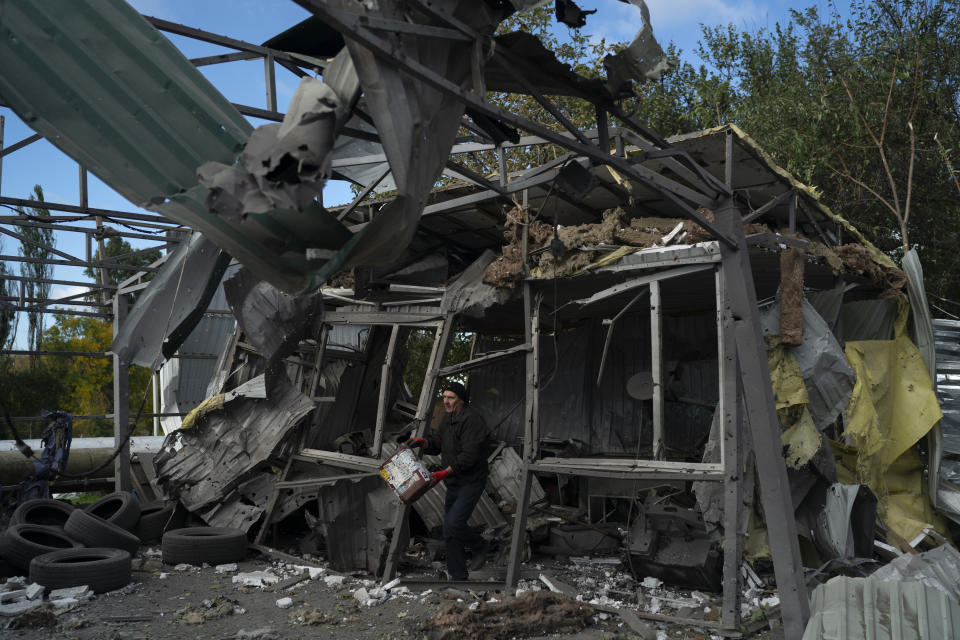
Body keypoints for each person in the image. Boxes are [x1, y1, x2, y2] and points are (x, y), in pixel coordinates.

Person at [405, 382, 490, 580]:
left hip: (471, 481)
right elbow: (437, 444)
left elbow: (469, 456)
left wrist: (444, 473)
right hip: (454, 481)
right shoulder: (448, 418)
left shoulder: (472, 420)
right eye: (444, 397)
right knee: (449, 531)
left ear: (461, 400)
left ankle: (480, 545)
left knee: (453, 524)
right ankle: (458, 576)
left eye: (450, 398)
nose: (446, 401)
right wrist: (423, 442)